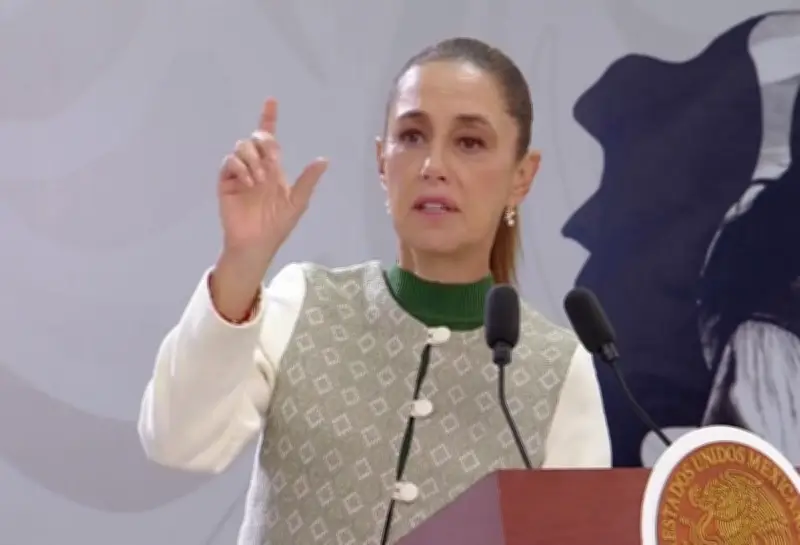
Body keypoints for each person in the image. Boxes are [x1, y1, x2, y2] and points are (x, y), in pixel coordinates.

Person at [137, 37, 611, 545]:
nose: (433, 165)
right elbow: (177, 442)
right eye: (412, 136)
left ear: (522, 176)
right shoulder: (305, 302)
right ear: (382, 162)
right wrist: (243, 260)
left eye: (469, 143)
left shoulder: (559, 371)